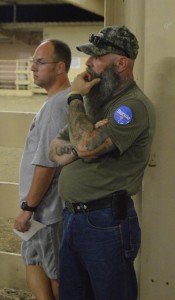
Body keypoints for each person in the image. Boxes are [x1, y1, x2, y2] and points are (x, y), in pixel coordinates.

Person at [49, 25, 156, 300]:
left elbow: (83, 145)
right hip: (74, 217)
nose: (88, 63)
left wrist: (75, 97)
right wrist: (84, 145)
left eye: (97, 57)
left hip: (105, 222)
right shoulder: (95, 103)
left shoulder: (132, 107)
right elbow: (54, 149)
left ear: (121, 63)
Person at [14, 39, 71, 300]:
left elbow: (47, 164)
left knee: (56, 272)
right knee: (34, 261)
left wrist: (28, 208)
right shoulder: (54, 103)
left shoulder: (58, 105)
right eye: (33, 62)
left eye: (40, 62)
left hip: (45, 211)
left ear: (60, 67)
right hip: (39, 211)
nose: (33, 68)